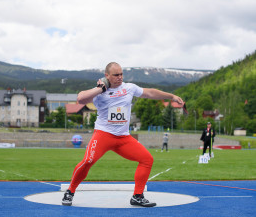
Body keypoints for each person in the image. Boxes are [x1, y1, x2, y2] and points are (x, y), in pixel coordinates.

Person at [62, 62, 184, 207]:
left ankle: (137, 196)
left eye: (121, 74)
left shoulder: (129, 88)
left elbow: (150, 92)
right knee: (88, 161)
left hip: (123, 138)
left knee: (147, 159)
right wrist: (99, 89)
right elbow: (81, 98)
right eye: (116, 75)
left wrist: (172, 96)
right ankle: (70, 191)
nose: (120, 77)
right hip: (103, 135)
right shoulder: (99, 91)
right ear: (107, 76)